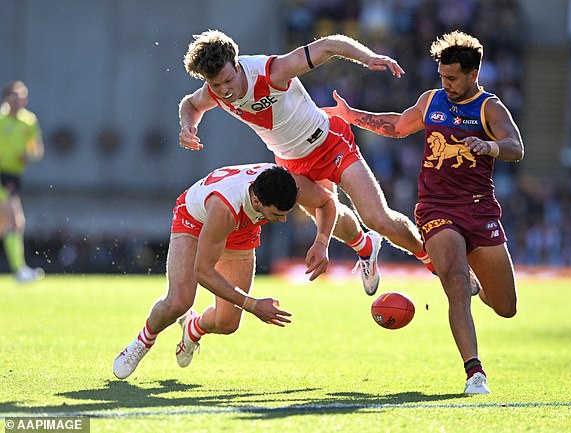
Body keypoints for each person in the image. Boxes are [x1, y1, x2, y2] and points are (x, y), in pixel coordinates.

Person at [326, 30, 524, 394]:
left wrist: (490, 146)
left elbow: (516, 147)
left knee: (506, 307)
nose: (445, 84)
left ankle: (476, 284)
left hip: (480, 210)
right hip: (436, 209)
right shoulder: (431, 100)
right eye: (442, 77)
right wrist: (352, 115)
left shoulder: (489, 108)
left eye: (452, 78)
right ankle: (475, 373)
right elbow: (399, 125)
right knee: (453, 280)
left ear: (473, 74)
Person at [178, 29, 439, 296]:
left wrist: (368, 57)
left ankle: (435, 264)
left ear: (236, 63)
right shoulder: (214, 90)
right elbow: (191, 105)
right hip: (291, 163)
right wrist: (188, 127)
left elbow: (328, 45)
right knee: (329, 218)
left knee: (377, 219)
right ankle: (367, 248)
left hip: (328, 142)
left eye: (227, 81)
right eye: (216, 85)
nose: (224, 91)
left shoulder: (272, 72)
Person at [113, 163, 336, 379]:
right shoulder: (225, 209)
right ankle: (143, 341)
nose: (283, 219)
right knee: (180, 301)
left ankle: (193, 327)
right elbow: (203, 272)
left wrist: (321, 242)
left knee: (227, 323)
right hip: (195, 219)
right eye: (277, 214)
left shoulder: (288, 183)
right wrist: (253, 305)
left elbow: (327, 202)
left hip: (242, 227)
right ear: (257, 201)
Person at [0, 81, 45, 282]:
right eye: (14, 97)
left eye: (22, 97)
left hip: (14, 177)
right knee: (16, 222)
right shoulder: (0, 119)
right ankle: (19, 270)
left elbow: (37, 149)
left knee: (3, 225)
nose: (18, 101)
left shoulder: (28, 121)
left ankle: (19, 269)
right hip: (1, 175)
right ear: (7, 98)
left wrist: (29, 155)